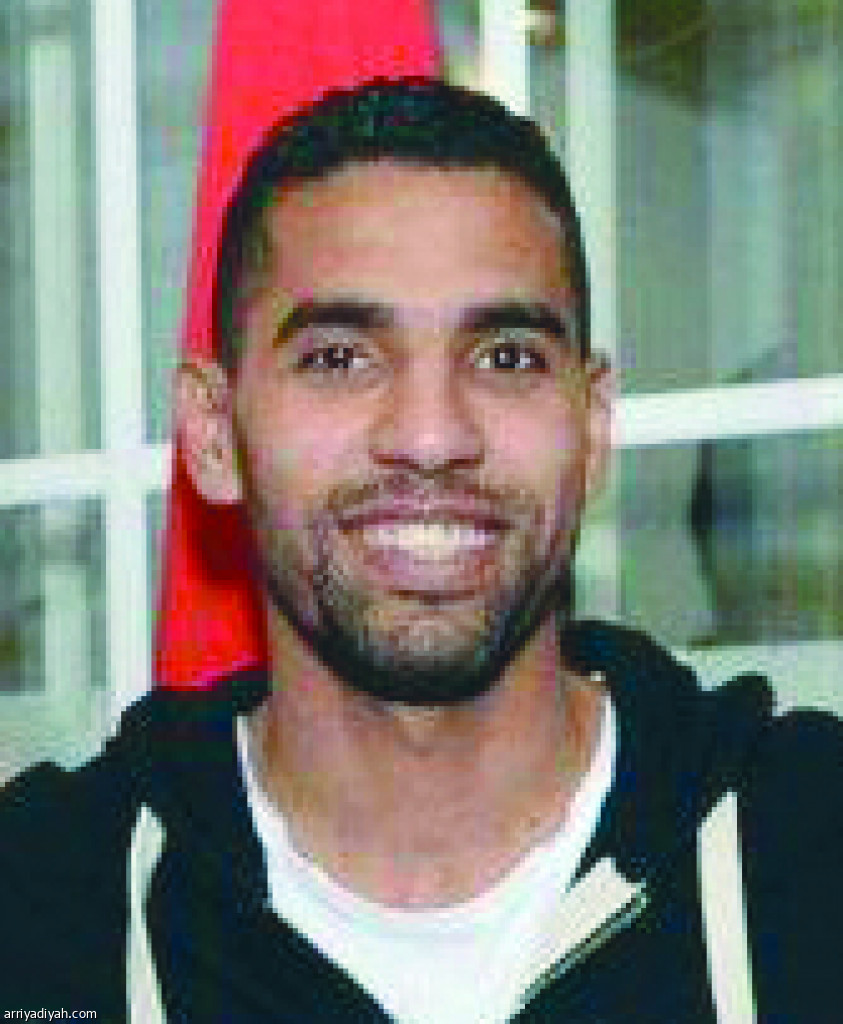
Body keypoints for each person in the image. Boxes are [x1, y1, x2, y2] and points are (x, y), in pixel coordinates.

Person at [3, 22, 842, 1024]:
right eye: (339, 358)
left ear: (592, 426)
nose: (432, 436)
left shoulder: (810, 850)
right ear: (214, 433)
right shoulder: (42, 910)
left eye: (506, 357)